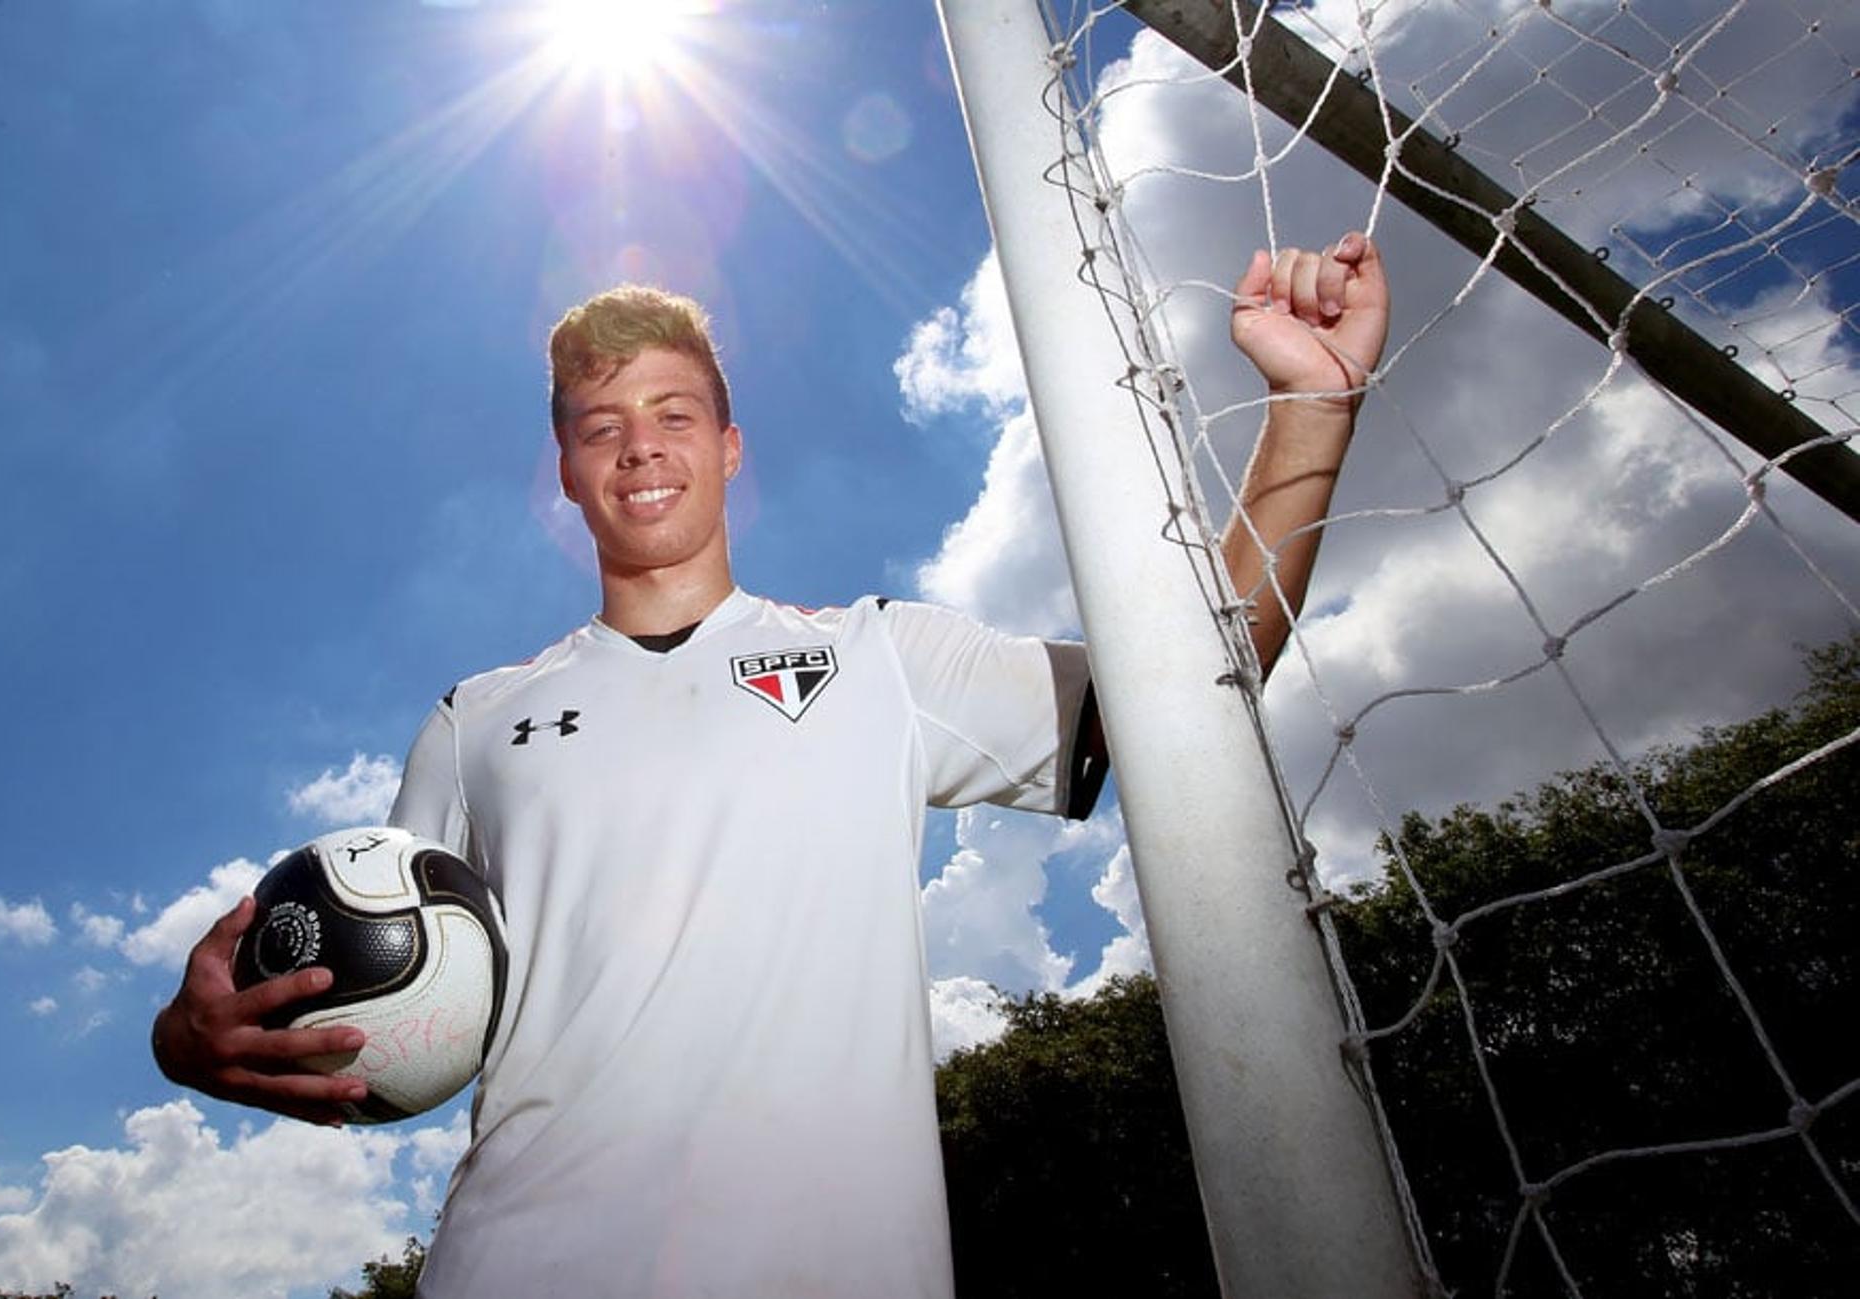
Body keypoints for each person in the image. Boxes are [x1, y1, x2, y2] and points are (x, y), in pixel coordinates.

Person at [151, 233, 1388, 1297]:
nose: (641, 448)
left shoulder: (880, 657)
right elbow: (380, 1011)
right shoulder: (475, 721)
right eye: (603, 427)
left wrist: (1312, 413)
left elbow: (1182, 696)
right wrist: (188, 1043)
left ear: (730, 448)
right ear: (568, 475)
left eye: (673, 414)